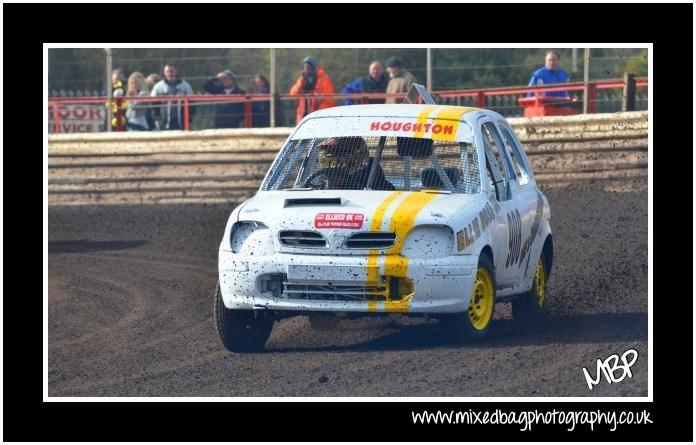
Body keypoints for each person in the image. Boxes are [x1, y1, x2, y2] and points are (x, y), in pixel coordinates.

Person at [303, 137, 394, 190]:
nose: (332, 163)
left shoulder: (382, 190)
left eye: (339, 153)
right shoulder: (319, 186)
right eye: (328, 153)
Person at [288, 56, 335, 124]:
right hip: (303, 115)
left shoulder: (324, 79)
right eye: (305, 67)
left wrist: (320, 112)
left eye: (308, 66)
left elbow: (329, 99)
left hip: (318, 116)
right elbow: (293, 93)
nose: (306, 69)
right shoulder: (303, 78)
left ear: (313, 67)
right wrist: (302, 81)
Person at [150, 63, 194, 130]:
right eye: (167, 72)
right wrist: (157, 119)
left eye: (171, 71)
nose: (169, 74)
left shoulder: (185, 86)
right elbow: (153, 105)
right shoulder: (158, 87)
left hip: (181, 124)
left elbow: (192, 106)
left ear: (176, 72)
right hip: (163, 124)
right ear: (164, 73)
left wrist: (189, 121)